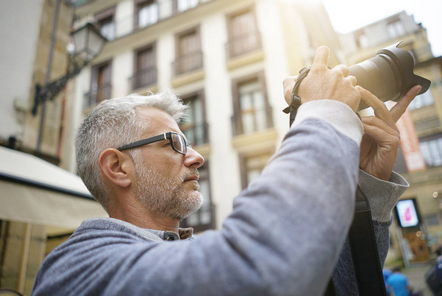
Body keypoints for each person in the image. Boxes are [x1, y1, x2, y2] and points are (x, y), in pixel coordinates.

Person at [32, 46, 419, 296]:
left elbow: (332, 284)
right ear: (118, 167)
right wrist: (323, 116)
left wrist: (365, 187)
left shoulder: (184, 252)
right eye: (174, 143)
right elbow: (262, 271)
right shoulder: (76, 270)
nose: (197, 157)